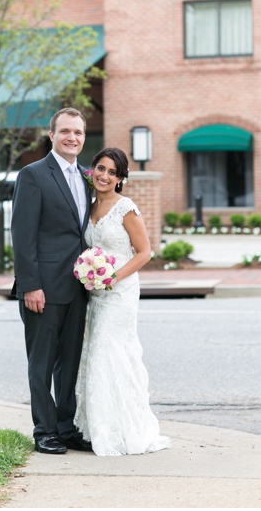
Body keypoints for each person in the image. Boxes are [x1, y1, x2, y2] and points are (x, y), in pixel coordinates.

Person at [73, 147, 171, 456]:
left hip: (120, 293)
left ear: (120, 178)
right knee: (94, 354)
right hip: (94, 294)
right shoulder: (87, 208)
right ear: (93, 170)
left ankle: (116, 431)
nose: (104, 175)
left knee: (107, 350)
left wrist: (112, 277)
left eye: (112, 172)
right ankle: (96, 428)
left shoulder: (125, 208)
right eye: (101, 168)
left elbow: (144, 252)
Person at [11, 107, 92, 455]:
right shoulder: (33, 175)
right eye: (65, 131)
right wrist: (30, 284)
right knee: (41, 364)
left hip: (78, 287)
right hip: (42, 287)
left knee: (70, 362)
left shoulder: (88, 177)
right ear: (52, 135)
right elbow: (22, 233)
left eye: (78, 132)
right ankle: (44, 430)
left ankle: (65, 426)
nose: (72, 137)